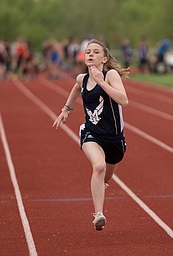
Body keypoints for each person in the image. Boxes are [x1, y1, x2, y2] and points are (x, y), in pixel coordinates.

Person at [53, 39, 129, 231]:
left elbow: (124, 100)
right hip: (91, 133)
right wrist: (66, 109)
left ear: (104, 58)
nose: (90, 55)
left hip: (115, 140)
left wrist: (102, 82)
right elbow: (76, 88)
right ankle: (99, 214)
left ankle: (101, 187)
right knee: (99, 166)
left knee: (105, 179)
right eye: (88, 52)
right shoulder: (82, 79)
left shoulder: (110, 75)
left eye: (95, 52)